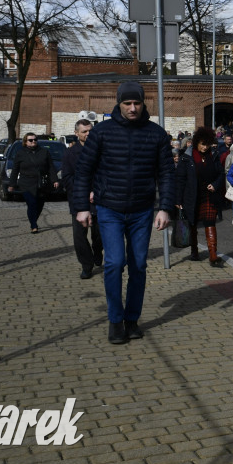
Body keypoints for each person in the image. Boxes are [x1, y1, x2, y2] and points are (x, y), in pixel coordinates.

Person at [72, 81, 175, 345]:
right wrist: (82, 207)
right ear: (119, 103)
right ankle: (115, 320)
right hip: (110, 209)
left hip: (142, 210)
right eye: (127, 103)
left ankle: (132, 319)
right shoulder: (101, 133)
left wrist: (164, 207)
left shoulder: (156, 134)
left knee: (138, 265)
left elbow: (166, 174)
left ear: (143, 104)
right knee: (115, 263)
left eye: (137, 103)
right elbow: (83, 170)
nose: (132, 108)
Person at [176, 127, 227, 267]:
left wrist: (215, 185)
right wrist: (178, 199)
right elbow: (180, 179)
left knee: (210, 222)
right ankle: (194, 251)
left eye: (208, 144)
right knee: (192, 224)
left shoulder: (214, 155)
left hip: (209, 195)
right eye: (202, 144)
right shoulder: (186, 157)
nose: (205, 147)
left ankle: (213, 254)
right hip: (192, 195)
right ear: (196, 142)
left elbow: (221, 174)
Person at [61, 118, 102, 279]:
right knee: (79, 236)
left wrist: (96, 191)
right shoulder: (70, 154)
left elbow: (107, 174)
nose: (88, 134)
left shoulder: (101, 150)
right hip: (79, 200)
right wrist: (85, 192)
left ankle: (98, 250)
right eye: (84, 131)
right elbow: (67, 178)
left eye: (90, 131)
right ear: (76, 133)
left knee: (99, 235)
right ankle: (87, 265)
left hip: (99, 199)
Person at [8, 132, 59, 233]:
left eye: (35, 140)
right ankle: (33, 225)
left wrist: (55, 180)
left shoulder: (44, 152)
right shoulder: (20, 153)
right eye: (30, 140)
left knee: (39, 205)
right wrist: (12, 184)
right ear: (25, 142)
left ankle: (33, 219)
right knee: (31, 203)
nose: (33, 142)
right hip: (26, 183)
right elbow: (15, 170)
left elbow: (51, 167)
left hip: (41, 182)